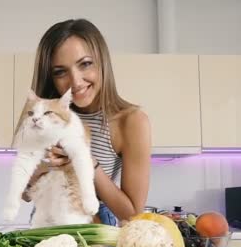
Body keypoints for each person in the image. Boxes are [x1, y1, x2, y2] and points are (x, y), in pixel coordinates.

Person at [22, 18, 151, 227]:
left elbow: (133, 215)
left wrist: (86, 161)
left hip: (95, 228)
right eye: (60, 72)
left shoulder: (131, 122)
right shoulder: (50, 115)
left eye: (85, 64)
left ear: (102, 62)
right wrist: (45, 164)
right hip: (46, 223)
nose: (75, 81)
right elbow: (25, 195)